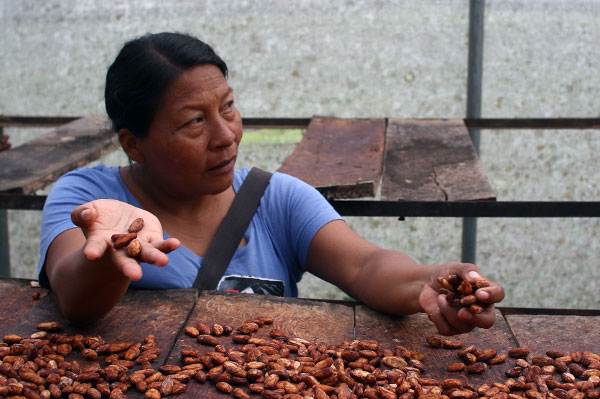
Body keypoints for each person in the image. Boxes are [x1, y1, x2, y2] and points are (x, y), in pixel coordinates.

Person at [38, 32, 504, 333]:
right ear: (133, 144)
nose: (226, 136)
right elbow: (74, 299)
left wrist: (432, 283)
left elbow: (365, 267)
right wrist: (112, 251)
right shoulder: (89, 199)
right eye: (193, 122)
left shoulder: (275, 197)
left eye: (227, 107)